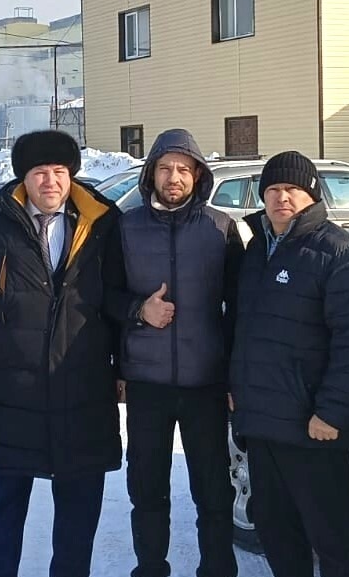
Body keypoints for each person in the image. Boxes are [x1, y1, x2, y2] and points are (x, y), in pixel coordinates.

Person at [0, 129, 129, 577]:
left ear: (71, 175)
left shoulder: (102, 224)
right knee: (4, 507)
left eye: (59, 171)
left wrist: (123, 369)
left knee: (78, 513)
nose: (50, 181)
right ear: (23, 179)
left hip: (85, 388)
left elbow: (117, 301)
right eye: (39, 172)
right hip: (17, 389)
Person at [229, 151, 349, 577]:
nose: (282, 197)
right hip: (263, 426)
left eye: (292, 189)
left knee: (332, 540)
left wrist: (332, 412)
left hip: (313, 429)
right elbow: (245, 331)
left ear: (312, 195)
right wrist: (237, 390)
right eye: (273, 189)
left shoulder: (340, 253)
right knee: (278, 535)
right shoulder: (257, 251)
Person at [118, 128, 243, 577]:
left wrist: (234, 377)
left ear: (198, 176)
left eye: (184, 170)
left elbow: (239, 308)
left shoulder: (221, 228)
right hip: (146, 382)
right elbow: (103, 297)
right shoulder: (126, 227)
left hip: (205, 382)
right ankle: (150, 568)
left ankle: (217, 570)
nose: (174, 177)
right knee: (147, 490)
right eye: (166, 168)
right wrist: (139, 310)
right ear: (151, 174)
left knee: (213, 492)